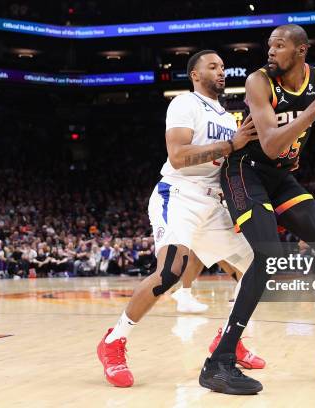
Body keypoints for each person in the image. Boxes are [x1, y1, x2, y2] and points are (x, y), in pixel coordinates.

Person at [199, 25, 315, 395]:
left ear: (301, 51)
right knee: (268, 257)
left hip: (281, 176)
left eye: (279, 46)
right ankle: (218, 361)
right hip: (244, 170)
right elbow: (268, 146)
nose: (271, 51)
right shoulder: (258, 82)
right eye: (269, 45)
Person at [97, 50, 264, 388]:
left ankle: (227, 341)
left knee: (258, 268)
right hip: (180, 195)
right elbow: (178, 155)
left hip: (213, 203)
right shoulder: (185, 104)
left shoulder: (228, 115)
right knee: (170, 270)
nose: (220, 71)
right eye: (212, 66)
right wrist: (231, 145)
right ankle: (113, 342)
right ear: (194, 74)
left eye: (222, 67)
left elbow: (229, 164)